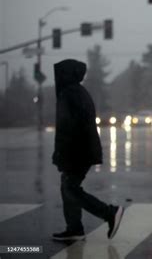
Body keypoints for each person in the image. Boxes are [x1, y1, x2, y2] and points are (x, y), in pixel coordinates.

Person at [51, 59, 124, 241]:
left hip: (77, 152)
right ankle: (74, 228)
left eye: (59, 74)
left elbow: (66, 128)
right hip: (83, 150)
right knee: (68, 186)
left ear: (66, 75)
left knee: (71, 188)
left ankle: (109, 213)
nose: (57, 78)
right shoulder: (78, 92)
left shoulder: (69, 93)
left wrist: (60, 154)